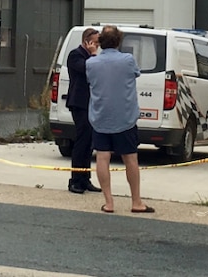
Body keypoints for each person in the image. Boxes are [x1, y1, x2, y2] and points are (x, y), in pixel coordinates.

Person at [85, 25, 154, 214]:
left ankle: (109, 202)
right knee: (130, 158)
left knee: (102, 157)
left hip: (100, 117)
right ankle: (136, 202)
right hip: (125, 117)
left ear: (99, 43)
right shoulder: (128, 60)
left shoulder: (91, 63)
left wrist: (93, 54)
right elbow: (136, 74)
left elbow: (90, 79)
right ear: (118, 41)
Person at [65, 27, 101, 194]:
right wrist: (93, 55)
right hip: (80, 103)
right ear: (88, 41)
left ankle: (85, 178)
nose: (98, 45)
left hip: (92, 104)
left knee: (89, 142)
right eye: (95, 42)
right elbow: (89, 70)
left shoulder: (90, 57)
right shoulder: (76, 55)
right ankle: (75, 180)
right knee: (81, 141)